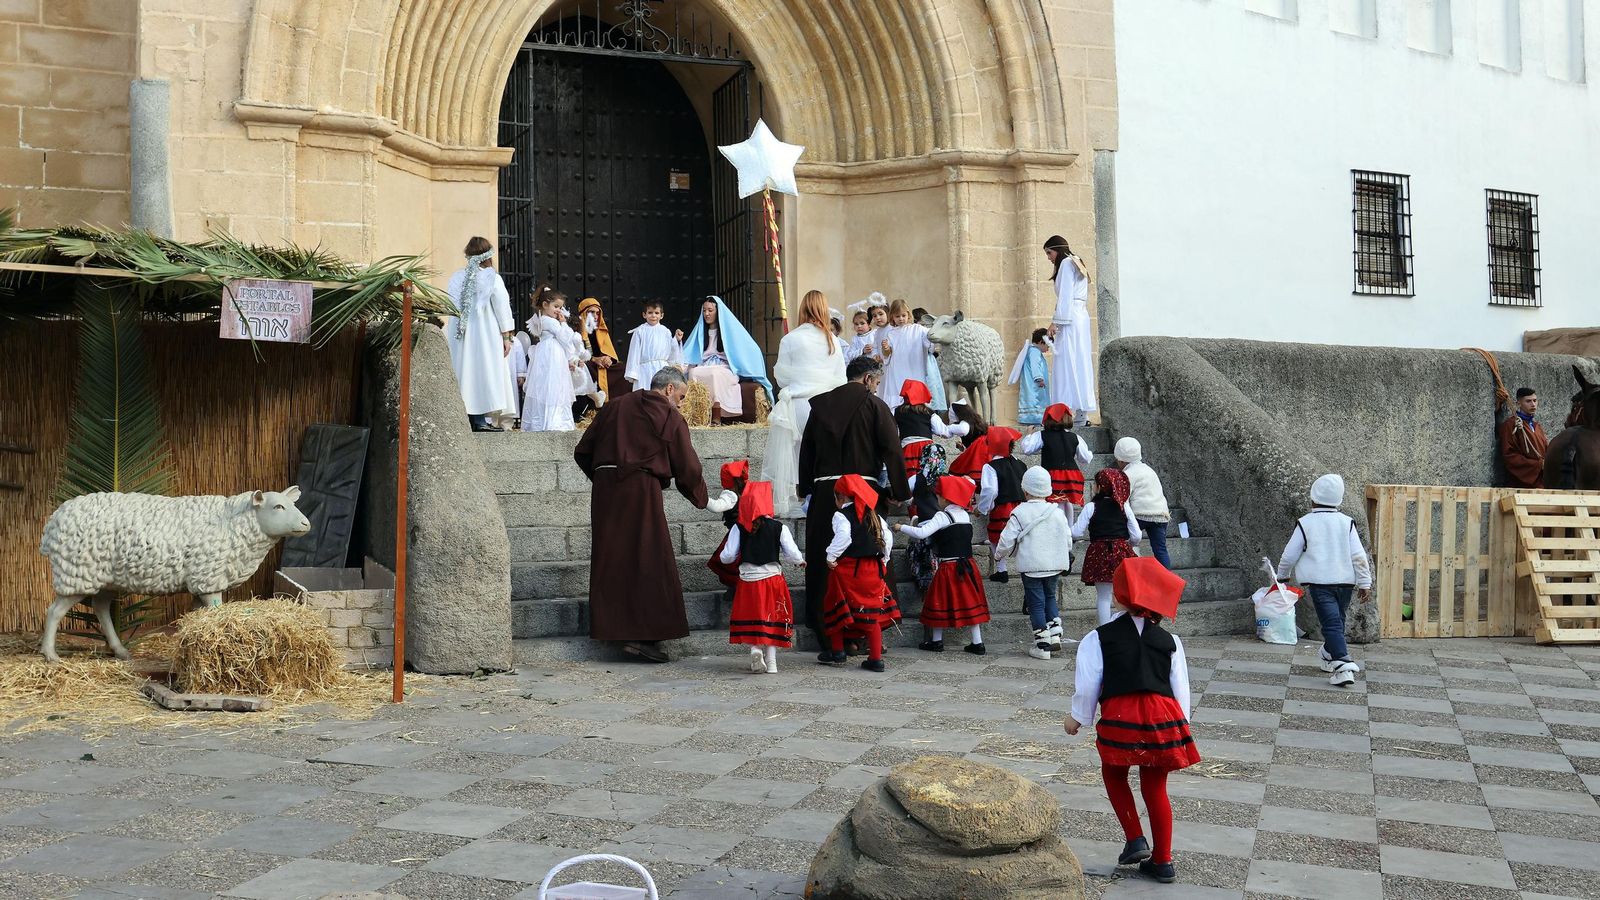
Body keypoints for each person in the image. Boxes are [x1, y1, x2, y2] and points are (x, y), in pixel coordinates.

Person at [1065, 557, 1199, 886]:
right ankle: (1163, 861)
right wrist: (1180, 726)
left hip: (1121, 716)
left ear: (1123, 595)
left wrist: (1078, 717)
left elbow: (1088, 685)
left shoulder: (1098, 638)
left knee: (1114, 773)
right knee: (1156, 787)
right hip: (1162, 718)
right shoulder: (1171, 641)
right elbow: (1181, 688)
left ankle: (1135, 838)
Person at [573, 367, 708, 663]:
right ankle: (645, 636)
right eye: (682, 396)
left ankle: (614, 629)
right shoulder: (670, 416)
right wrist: (702, 498)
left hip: (606, 491)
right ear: (669, 390)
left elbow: (583, 450)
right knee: (648, 556)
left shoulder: (614, 406)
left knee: (612, 556)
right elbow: (688, 466)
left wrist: (604, 477)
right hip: (641, 490)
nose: (682, 403)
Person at [798, 354, 910, 640]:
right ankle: (868, 631)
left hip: (826, 495)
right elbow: (892, 450)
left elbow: (807, 450)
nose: (876, 388)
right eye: (877, 382)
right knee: (866, 555)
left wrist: (806, 488)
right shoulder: (875, 405)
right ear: (868, 379)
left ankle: (829, 631)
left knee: (828, 558)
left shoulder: (820, 406)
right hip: (862, 492)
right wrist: (898, 491)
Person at [1275, 474, 1372, 687]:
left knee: (1331, 623)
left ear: (1313, 498)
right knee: (1337, 620)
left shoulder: (1306, 523)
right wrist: (1365, 582)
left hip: (1320, 583)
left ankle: (1343, 666)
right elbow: (1359, 555)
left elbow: (1290, 553)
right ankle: (1329, 653)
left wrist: (1282, 574)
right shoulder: (1347, 522)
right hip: (1345, 583)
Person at [764, 290, 848, 517]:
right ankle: (822, 499)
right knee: (822, 454)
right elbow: (842, 379)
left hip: (799, 403)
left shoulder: (790, 338)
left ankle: (795, 501)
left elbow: (781, 377)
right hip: (827, 404)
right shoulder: (833, 340)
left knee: (795, 454)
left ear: (802, 309)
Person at [718, 481, 803, 675]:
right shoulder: (779, 527)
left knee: (753, 616)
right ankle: (772, 662)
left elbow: (728, 556)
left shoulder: (738, 528)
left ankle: (755, 649)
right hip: (772, 579)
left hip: (748, 580)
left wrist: (726, 559)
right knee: (771, 617)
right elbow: (792, 553)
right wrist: (799, 562)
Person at [898, 474, 988, 655]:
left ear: (946, 498)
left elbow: (922, 533)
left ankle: (936, 641)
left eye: (938, 496)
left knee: (937, 602)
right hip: (968, 566)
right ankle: (977, 642)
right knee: (971, 602)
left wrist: (901, 527)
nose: (937, 499)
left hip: (948, 567)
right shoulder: (964, 515)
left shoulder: (942, 515)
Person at [820, 474, 898, 672]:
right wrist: (885, 559)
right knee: (872, 612)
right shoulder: (875, 515)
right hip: (874, 568)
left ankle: (838, 651)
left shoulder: (841, 516)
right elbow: (887, 537)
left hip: (849, 568)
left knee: (835, 604)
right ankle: (876, 658)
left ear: (842, 497)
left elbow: (844, 537)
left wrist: (830, 557)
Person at [995, 466, 1073, 659]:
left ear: (1025, 489)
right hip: (1054, 564)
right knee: (1050, 597)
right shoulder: (1056, 512)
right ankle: (1055, 635)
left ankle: (1042, 645)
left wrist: (999, 555)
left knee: (1036, 604)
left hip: (1031, 566)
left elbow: (1006, 539)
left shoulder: (1019, 512)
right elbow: (1068, 538)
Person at [443, 237, 517, 432]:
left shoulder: (457, 277)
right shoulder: (492, 277)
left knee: (465, 371)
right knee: (484, 372)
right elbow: (502, 307)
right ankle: (480, 420)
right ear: (488, 256)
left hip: (461, 334)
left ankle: (469, 417)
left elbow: (450, 304)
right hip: (485, 334)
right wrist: (507, 336)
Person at [682, 295, 772, 425]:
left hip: (725, 368)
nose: (706, 314)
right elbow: (690, 352)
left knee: (715, 374)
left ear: (718, 312)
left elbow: (748, 349)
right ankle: (699, 414)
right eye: (704, 310)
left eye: (710, 310)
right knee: (693, 373)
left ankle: (717, 413)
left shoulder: (729, 332)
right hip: (705, 365)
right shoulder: (700, 332)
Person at [1074, 468, 1143, 625]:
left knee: (1104, 597)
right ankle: (1127, 628)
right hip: (1121, 551)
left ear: (1099, 487)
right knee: (1125, 595)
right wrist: (1127, 545)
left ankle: (1104, 631)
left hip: (1099, 552)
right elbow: (1137, 535)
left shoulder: (1092, 507)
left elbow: (1076, 532)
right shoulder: (1124, 506)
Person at [1044, 234, 1096, 425]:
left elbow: (1065, 295)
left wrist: (1055, 322)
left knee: (1067, 362)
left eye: (1049, 253)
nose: (1049, 258)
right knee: (1080, 361)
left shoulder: (1066, 263)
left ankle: (1063, 410)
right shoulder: (1077, 261)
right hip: (1080, 316)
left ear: (1057, 250)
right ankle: (1082, 412)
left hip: (1070, 318)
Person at [1018, 403, 1091, 527]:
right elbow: (1086, 458)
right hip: (1071, 475)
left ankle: (1056, 528)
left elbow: (1027, 449)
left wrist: (1029, 434)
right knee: (1066, 501)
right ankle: (1068, 529)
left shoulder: (1042, 435)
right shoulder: (1075, 437)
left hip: (1052, 474)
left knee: (1054, 503)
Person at [521, 286, 582, 433]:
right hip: (552, 354)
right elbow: (565, 338)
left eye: (560, 307)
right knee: (553, 385)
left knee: (548, 384)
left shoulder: (543, 319)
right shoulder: (551, 322)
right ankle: (553, 421)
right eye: (556, 306)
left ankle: (545, 420)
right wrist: (564, 323)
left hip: (549, 353)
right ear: (545, 305)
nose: (559, 310)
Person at [974, 426, 1026, 583]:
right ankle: (1025, 569)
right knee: (1022, 538)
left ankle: (1002, 570)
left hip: (1003, 508)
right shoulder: (1021, 464)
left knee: (997, 538)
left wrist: (982, 508)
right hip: (1022, 508)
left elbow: (990, 491)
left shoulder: (990, 466)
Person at [894, 379, 970, 481]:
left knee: (909, 478)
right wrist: (956, 427)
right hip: (927, 448)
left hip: (907, 448)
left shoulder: (898, 411)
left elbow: (894, 431)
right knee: (928, 480)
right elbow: (942, 431)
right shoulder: (929, 413)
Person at [1116, 437, 1173, 569]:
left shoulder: (1127, 474)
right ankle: (1167, 580)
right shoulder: (1148, 469)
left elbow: (1123, 498)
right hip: (1161, 514)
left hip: (1140, 514)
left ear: (1120, 459)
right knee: (1160, 550)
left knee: (1122, 538)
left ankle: (1132, 569)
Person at [875, 298, 936, 411]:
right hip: (896, 371)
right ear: (892, 317)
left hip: (915, 369)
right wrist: (886, 348)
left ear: (908, 314)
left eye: (903, 315)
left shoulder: (919, 329)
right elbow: (887, 356)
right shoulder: (891, 333)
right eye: (897, 316)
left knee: (916, 397)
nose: (901, 319)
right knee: (897, 397)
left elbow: (930, 343)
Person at [706, 460, 750, 600]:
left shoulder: (730, 495)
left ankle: (737, 589)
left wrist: (700, 497)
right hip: (749, 535)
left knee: (731, 563)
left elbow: (716, 507)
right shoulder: (748, 491)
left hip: (737, 535)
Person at [576, 297, 624, 415]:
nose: (596, 316)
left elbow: (609, 351)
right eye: (591, 312)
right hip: (586, 363)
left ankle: (615, 409)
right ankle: (592, 408)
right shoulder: (575, 330)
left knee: (622, 370)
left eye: (598, 313)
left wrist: (608, 358)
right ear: (583, 313)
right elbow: (575, 353)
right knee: (585, 368)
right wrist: (594, 359)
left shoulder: (601, 330)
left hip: (601, 364)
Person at [623, 300, 684, 391]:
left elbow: (670, 350)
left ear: (661, 315)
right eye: (650, 313)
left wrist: (676, 340)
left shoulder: (665, 331)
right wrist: (633, 373)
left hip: (662, 369)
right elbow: (634, 352)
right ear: (644, 315)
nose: (653, 316)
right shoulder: (640, 331)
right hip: (644, 369)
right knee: (645, 391)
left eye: (656, 313)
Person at [1499, 387, 1549, 489]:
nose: (1533, 404)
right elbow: (1510, 456)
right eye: (1528, 401)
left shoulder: (1537, 426)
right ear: (1518, 403)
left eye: (1535, 400)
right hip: (1523, 485)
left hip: (1542, 483)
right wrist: (1538, 465)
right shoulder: (1510, 425)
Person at [1010, 328, 1052, 426]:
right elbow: (1035, 365)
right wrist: (1039, 378)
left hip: (1033, 384)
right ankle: (1035, 418)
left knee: (1032, 399)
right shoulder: (1034, 352)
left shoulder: (1032, 351)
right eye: (1047, 345)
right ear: (1042, 342)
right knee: (1035, 401)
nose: (1048, 348)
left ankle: (1032, 417)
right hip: (1035, 385)